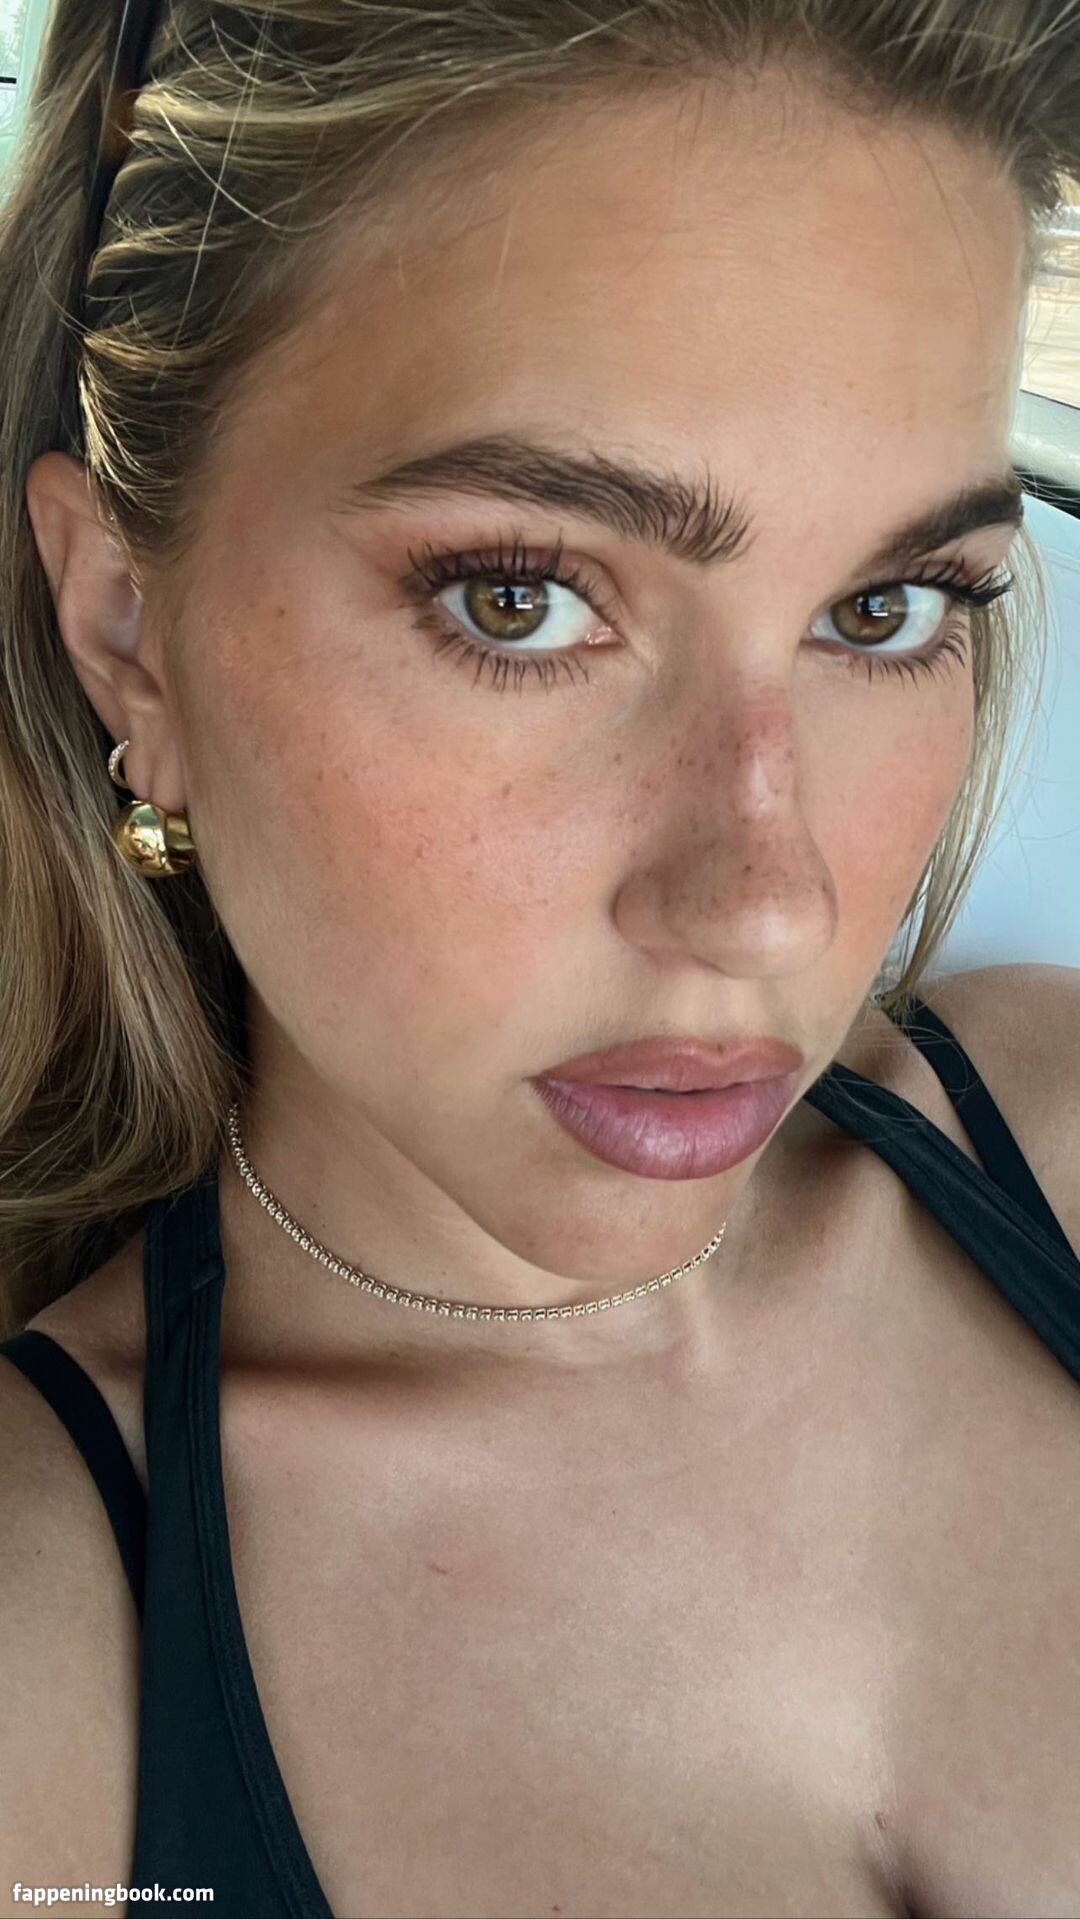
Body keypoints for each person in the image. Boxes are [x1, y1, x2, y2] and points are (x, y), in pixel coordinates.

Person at [1, 2, 1079, 1914]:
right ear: (125, 633)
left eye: (887, 608)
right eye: (520, 600)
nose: (763, 904)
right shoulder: (47, 1671)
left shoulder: (1059, 1135)